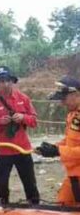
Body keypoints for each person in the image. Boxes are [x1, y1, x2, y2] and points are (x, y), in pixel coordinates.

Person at [0, 66, 40, 205]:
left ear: (12, 81)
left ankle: (36, 208)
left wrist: (22, 117)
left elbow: (34, 122)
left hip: (23, 149)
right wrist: (0, 122)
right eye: (2, 81)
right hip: (3, 151)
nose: (6, 84)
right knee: (1, 186)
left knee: (30, 184)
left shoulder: (23, 99)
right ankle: (2, 209)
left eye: (8, 80)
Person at [34, 76, 80, 206]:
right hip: (74, 173)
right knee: (63, 205)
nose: (62, 103)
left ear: (76, 94)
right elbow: (71, 140)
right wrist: (52, 148)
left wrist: (58, 151)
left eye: (63, 99)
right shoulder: (73, 114)